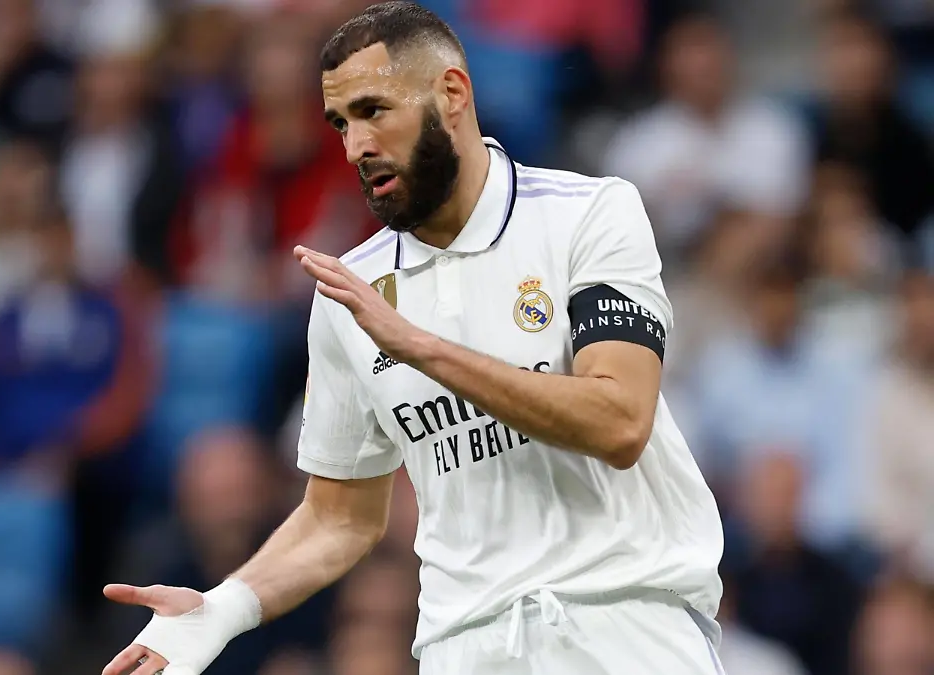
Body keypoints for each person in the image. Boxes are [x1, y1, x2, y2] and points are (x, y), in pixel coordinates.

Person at [101, 3, 724, 674]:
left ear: (451, 93)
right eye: (341, 123)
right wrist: (223, 609)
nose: (355, 145)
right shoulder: (354, 291)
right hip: (465, 644)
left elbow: (620, 419)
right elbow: (340, 516)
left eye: (374, 111)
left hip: (626, 624)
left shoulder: (589, 216)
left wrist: (423, 347)